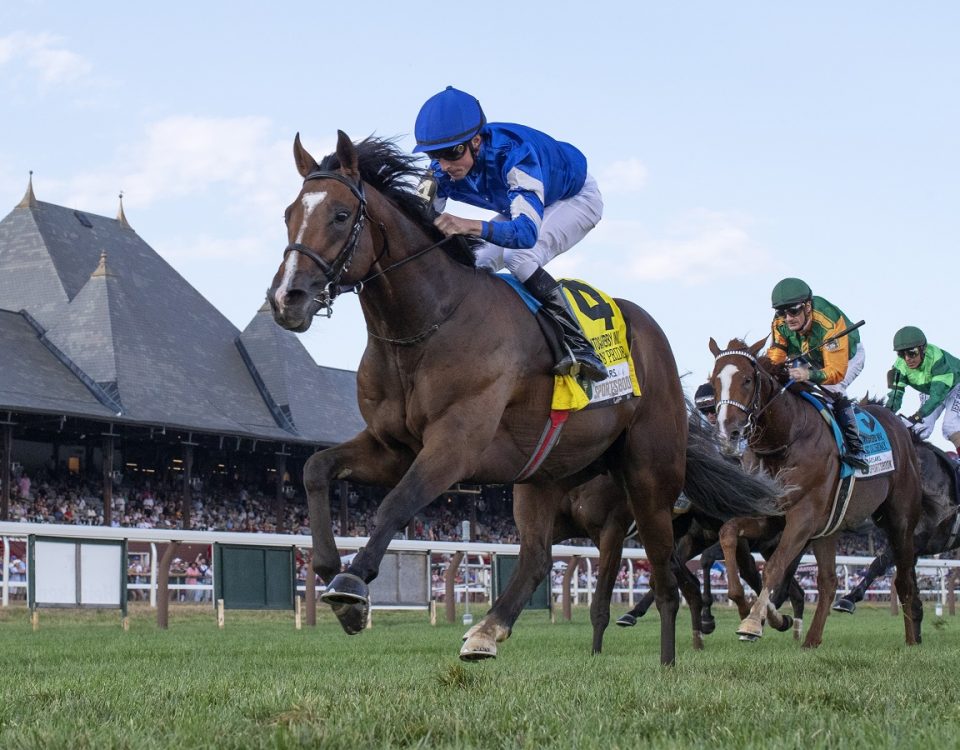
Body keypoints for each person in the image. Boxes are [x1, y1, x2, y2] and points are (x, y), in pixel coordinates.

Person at [412, 86, 607, 382]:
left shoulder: (515, 157)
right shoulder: (440, 170)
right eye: (434, 156)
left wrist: (468, 225)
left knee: (520, 256)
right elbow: (416, 217)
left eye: (452, 154)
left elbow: (526, 234)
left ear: (476, 141)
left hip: (572, 198)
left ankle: (580, 346)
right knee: (473, 264)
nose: (444, 165)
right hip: (515, 201)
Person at [767, 277, 869, 471]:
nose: (788, 318)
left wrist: (808, 376)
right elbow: (778, 352)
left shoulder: (828, 322)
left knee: (832, 388)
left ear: (807, 306)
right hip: (811, 356)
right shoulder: (780, 322)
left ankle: (855, 448)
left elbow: (835, 372)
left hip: (846, 358)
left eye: (793, 310)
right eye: (781, 312)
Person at [885, 326, 960, 453]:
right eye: (901, 354)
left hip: (954, 386)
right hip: (932, 389)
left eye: (912, 352)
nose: (907, 358)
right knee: (919, 428)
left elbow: (937, 396)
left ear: (923, 349)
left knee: (950, 426)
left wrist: (917, 415)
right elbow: (895, 396)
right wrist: (886, 415)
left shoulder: (937, 360)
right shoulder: (899, 366)